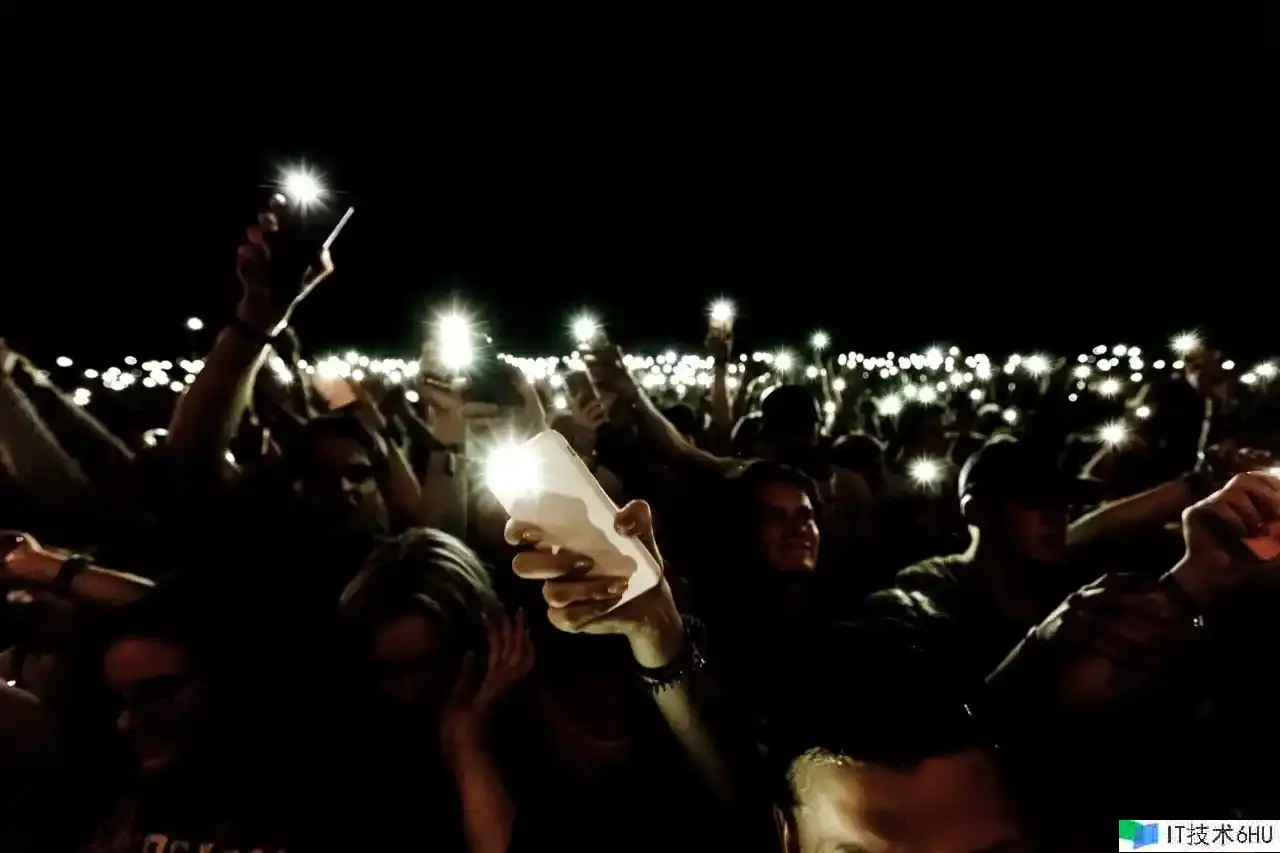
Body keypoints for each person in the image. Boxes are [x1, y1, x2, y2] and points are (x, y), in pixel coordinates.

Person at [864, 437, 1097, 681]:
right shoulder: (923, 603)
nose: (1056, 516)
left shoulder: (1073, 597)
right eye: (1033, 500)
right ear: (976, 510)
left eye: (1062, 502)